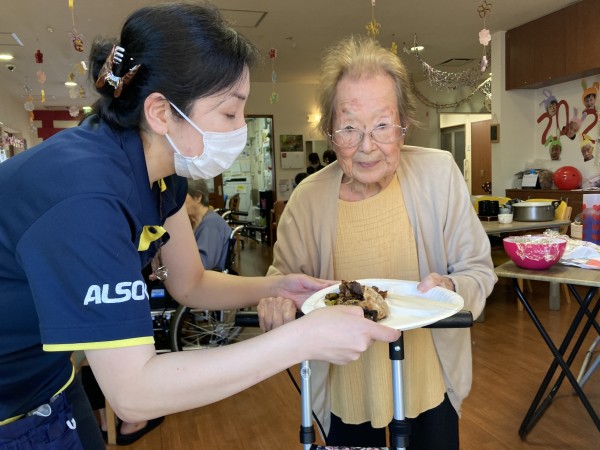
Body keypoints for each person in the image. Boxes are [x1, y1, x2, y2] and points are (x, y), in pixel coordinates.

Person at [0, 5, 400, 449]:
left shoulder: (158, 171)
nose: (240, 128)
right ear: (161, 112)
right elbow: (133, 394)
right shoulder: (86, 196)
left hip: (48, 381)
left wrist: (277, 287)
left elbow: (189, 282)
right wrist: (302, 340)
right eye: (229, 114)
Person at [259, 35, 496, 449]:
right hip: (345, 385)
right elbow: (282, 279)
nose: (367, 146)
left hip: (429, 380)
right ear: (330, 132)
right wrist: (275, 299)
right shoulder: (307, 199)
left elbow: (478, 270)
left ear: (404, 125)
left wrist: (452, 288)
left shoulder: (439, 174)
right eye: (350, 128)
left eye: (382, 126)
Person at [186, 179, 232, 272]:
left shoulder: (211, 224)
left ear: (198, 197)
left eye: (181, 196)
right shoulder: (194, 222)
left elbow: (203, 264)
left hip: (208, 277)